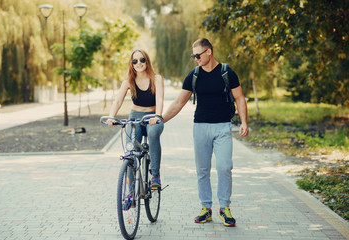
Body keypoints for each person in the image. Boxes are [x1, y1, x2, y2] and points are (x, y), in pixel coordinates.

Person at [162, 38, 249, 227]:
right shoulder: (193, 76)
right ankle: (206, 208)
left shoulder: (227, 72)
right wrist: (161, 119)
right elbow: (178, 102)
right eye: (193, 55)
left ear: (209, 52)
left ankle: (224, 208)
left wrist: (244, 122)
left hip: (223, 127)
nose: (195, 58)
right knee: (202, 170)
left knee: (225, 166)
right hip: (200, 127)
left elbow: (240, 98)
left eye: (198, 55)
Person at [107, 49, 164, 187]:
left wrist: (157, 116)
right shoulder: (128, 81)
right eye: (135, 61)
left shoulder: (156, 79)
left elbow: (160, 99)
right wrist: (111, 116)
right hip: (135, 117)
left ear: (147, 61)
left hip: (152, 116)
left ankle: (155, 175)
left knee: (153, 133)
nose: (139, 63)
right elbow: (118, 101)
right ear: (131, 64)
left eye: (142, 59)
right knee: (131, 152)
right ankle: (131, 192)